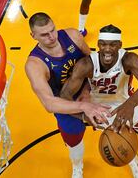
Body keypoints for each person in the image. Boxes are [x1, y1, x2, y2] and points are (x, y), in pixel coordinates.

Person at [60, 24, 138, 178]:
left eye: (112, 45)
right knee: (118, 137)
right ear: (98, 45)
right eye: (103, 44)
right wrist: (84, 115)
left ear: (120, 45)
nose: (107, 49)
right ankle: (133, 160)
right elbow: (65, 95)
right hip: (99, 107)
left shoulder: (129, 59)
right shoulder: (86, 64)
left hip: (126, 102)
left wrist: (130, 105)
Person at [25, 12, 111, 178]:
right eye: (44, 34)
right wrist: (83, 106)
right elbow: (49, 103)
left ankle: (132, 158)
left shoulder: (72, 35)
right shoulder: (35, 64)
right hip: (65, 105)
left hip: (90, 89)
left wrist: (86, 92)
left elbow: (92, 62)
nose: (52, 37)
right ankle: (77, 166)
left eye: (53, 30)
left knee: (118, 123)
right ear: (33, 36)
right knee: (74, 143)